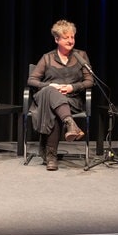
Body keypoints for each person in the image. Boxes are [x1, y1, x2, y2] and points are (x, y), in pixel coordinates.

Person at [27, 19, 94, 171]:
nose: (71, 41)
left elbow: (90, 81)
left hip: (71, 100)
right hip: (45, 99)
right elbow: (32, 80)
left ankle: (51, 157)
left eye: (72, 37)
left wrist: (72, 87)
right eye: (66, 38)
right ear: (57, 39)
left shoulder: (80, 56)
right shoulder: (47, 58)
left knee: (55, 109)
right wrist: (50, 85)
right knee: (51, 92)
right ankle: (70, 123)